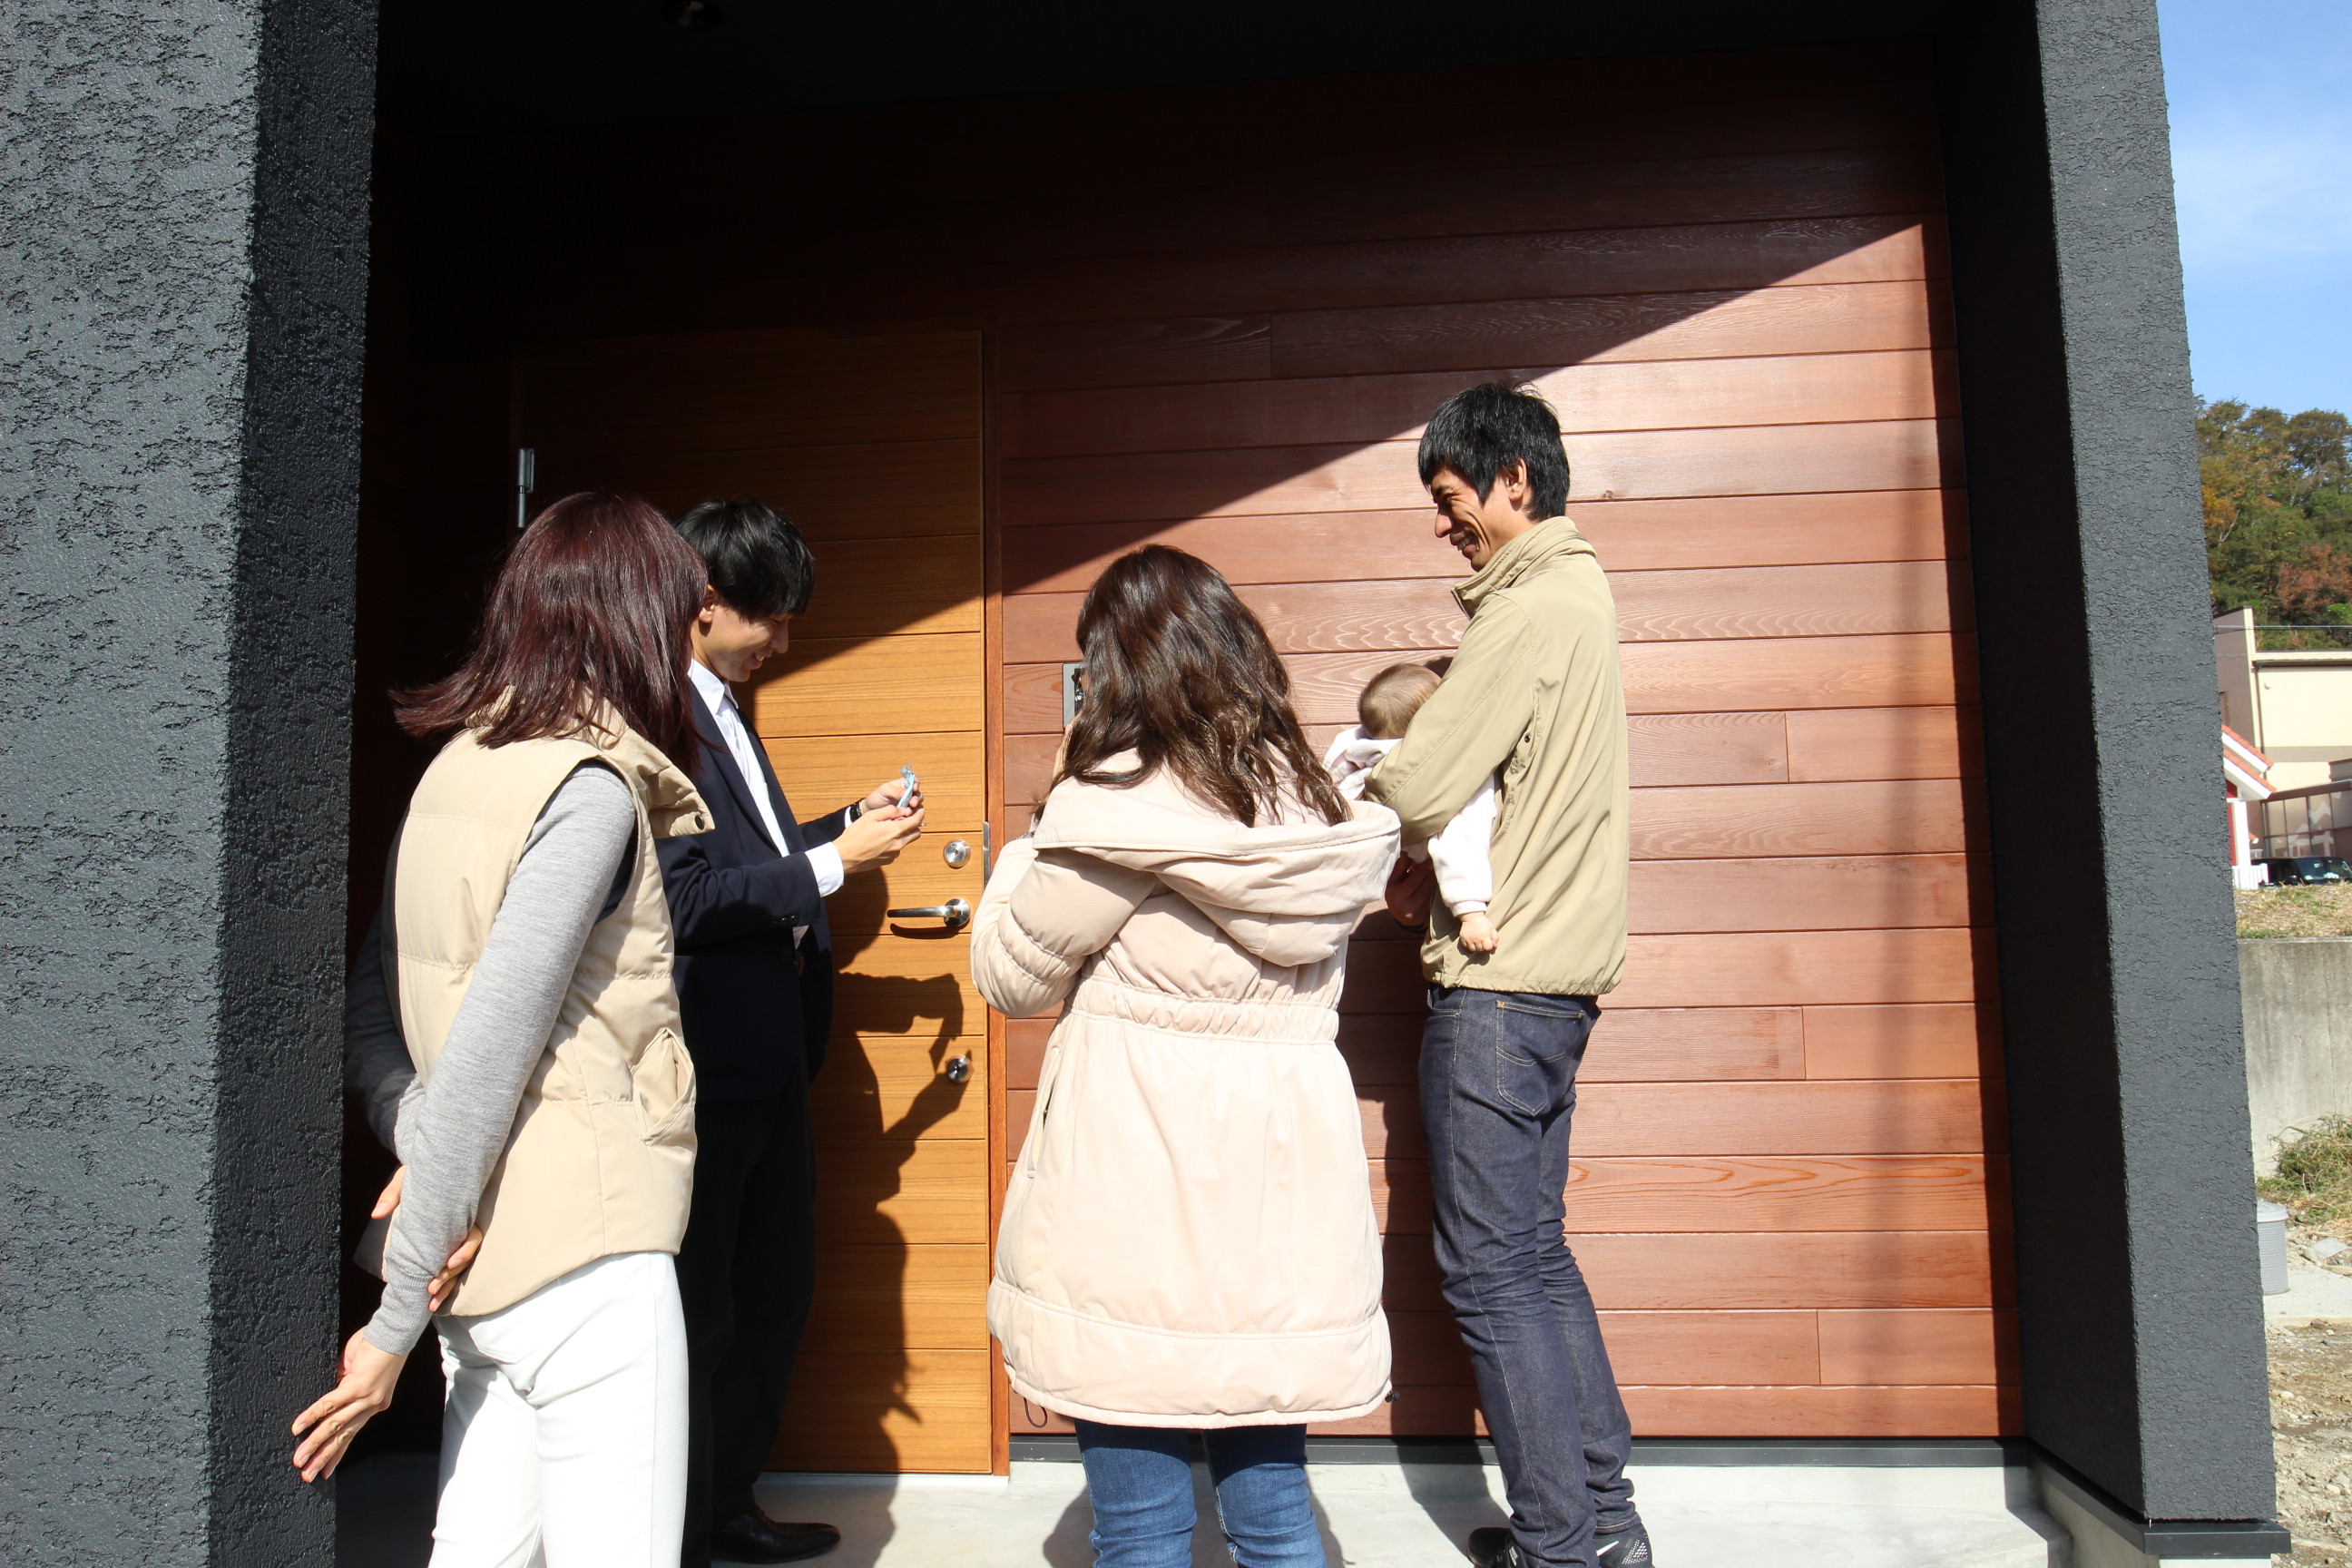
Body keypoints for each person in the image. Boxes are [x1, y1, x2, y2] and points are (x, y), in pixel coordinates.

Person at [295, 492, 717, 1567]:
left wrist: (419, 1137)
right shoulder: (588, 791)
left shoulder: (457, 767)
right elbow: (486, 1060)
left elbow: (371, 1018)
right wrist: (391, 1327)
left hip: (480, 1279)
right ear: (638, 619)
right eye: (683, 616)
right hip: (588, 1260)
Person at [971, 544, 1399, 1568]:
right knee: (1277, 1519)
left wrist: (1034, 836)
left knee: (1143, 1529)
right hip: (1279, 1196)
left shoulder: (1113, 811)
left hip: (1134, 1196)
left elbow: (1011, 977)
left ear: (1116, 673)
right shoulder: (1310, 805)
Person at [1365, 385, 1652, 1568]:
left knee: (1491, 1272)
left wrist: (1366, 780)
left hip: (1496, 993)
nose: (1444, 523)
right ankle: (1602, 1529)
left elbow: (1423, 776)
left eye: (1451, 498)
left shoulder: (1528, 609)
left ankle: (1559, 1546)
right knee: (1532, 1255)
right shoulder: (1581, 597)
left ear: (1514, 480)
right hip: (1552, 984)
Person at [659, 498, 926, 1568]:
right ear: (705, 600)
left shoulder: (726, 709)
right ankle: (681, 1528)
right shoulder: (659, 719)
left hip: (770, 1062)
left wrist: (845, 827)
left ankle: (727, 1505)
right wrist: (831, 866)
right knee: (705, 1311)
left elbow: (756, 859)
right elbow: (686, 901)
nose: (782, 639)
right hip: (708, 1067)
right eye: (768, 616)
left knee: (771, 1297)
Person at [1323, 661, 1501, 954]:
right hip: (1446, 873)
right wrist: (1470, 912)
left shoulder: (1360, 756)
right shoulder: (1445, 770)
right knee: (1465, 819)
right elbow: (1462, 839)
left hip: (1399, 858)